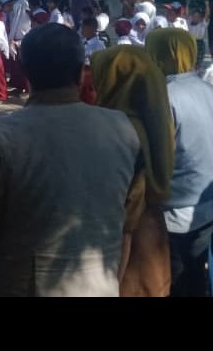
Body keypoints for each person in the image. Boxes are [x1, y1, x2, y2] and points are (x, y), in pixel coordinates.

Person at [0, 22, 142, 296]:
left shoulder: (0, 137)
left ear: (25, 72)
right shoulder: (123, 129)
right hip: (100, 287)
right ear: (80, 74)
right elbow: (128, 228)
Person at [90, 44, 175, 297]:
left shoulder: (118, 128)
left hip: (125, 255)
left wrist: (111, 285)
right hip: (151, 236)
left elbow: (125, 222)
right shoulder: (150, 118)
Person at [145, 28, 213, 297]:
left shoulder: (163, 95)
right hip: (206, 201)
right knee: (197, 273)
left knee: (177, 279)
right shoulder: (206, 88)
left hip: (175, 210)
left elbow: (159, 156)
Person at [79, 17, 106, 105]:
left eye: (84, 28)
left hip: (92, 79)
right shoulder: (81, 42)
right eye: (81, 27)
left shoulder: (99, 45)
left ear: (93, 29)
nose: (81, 30)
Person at [187, 5, 210, 71]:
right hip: (191, 42)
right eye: (194, 16)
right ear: (192, 17)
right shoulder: (189, 23)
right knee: (190, 60)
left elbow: (207, 14)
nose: (196, 18)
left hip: (199, 43)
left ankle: (197, 73)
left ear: (200, 18)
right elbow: (187, 14)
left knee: (198, 62)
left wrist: (207, 4)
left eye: (197, 17)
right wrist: (187, 4)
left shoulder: (203, 24)